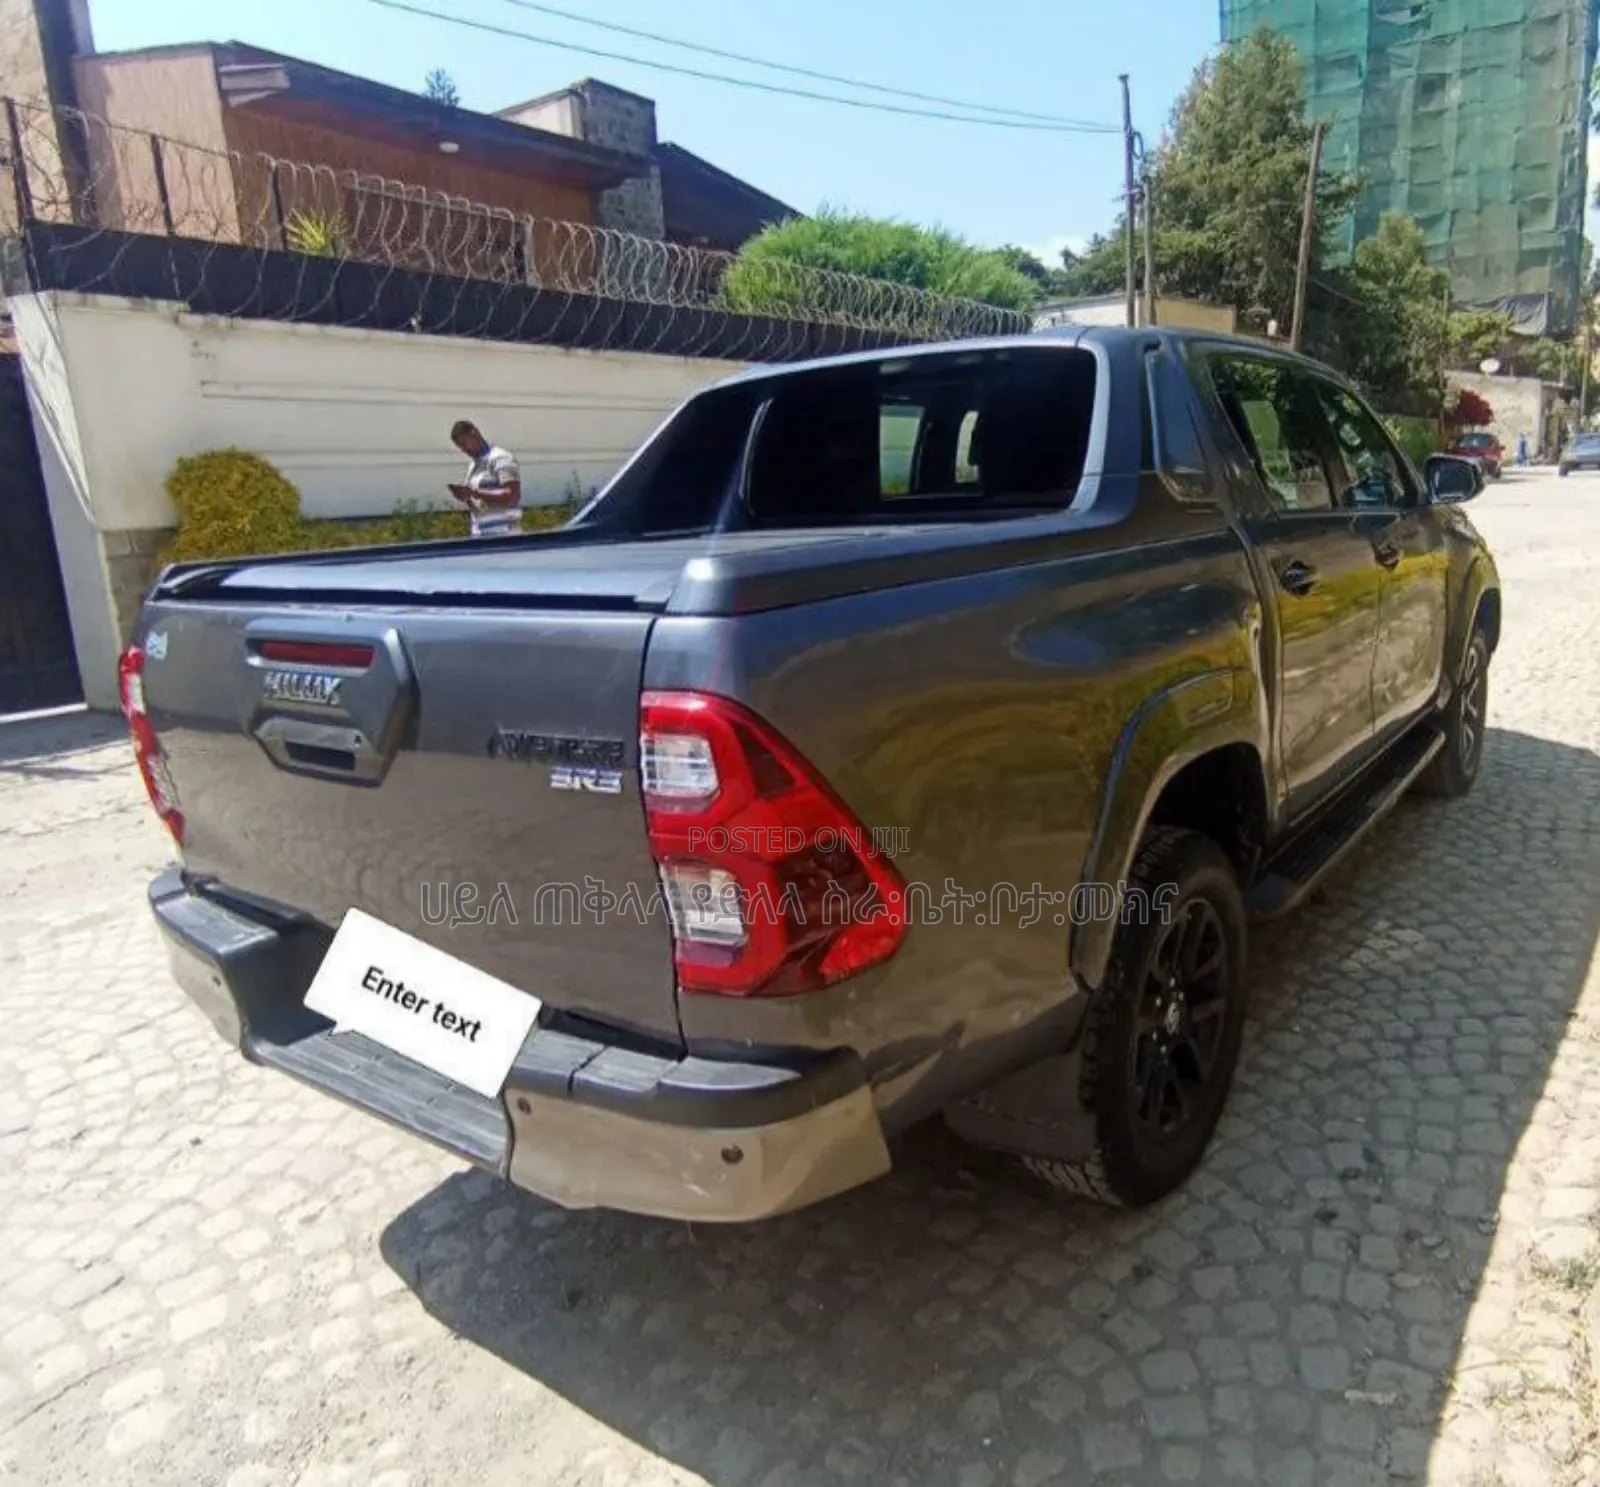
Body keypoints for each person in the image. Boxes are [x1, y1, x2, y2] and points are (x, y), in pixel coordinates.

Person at [448, 420, 522, 538]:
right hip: (480, 535)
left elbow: (512, 495)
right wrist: (466, 497)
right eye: (460, 447)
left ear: (475, 433)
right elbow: (480, 501)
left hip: (504, 535)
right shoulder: (473, 466)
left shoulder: (501, 459)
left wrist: (476, 493)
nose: (463, 449)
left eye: (464, 443)